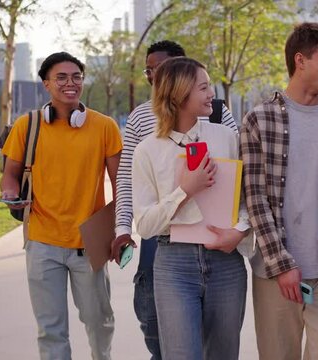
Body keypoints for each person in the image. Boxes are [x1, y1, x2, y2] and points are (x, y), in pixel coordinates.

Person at [240, 22, 318, 360]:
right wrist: (282, 264)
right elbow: (256, 198)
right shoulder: (259, 120)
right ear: (300, 60)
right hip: (277, 271)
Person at [110, 40, 237, 359]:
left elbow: (244, 195)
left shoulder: (225, 134)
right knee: (169, 342)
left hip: (224, 258)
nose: (212, 94)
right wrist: (185, 191)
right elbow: (140, 207)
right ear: (179, 92)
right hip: (172, 257)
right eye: (204, 87)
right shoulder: (147, 146)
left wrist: (242, 231)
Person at [0, 52, 122, 360]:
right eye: (62, 77)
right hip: (42, 243)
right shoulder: (27, 125)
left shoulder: (104, 127)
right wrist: (11, 194)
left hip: (88, 243)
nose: (71, 83)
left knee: (99, 322)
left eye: (77, 76)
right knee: (51, 329)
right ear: (46, 84)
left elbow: (121, 184)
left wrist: (119, 230)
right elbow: (10, 176)